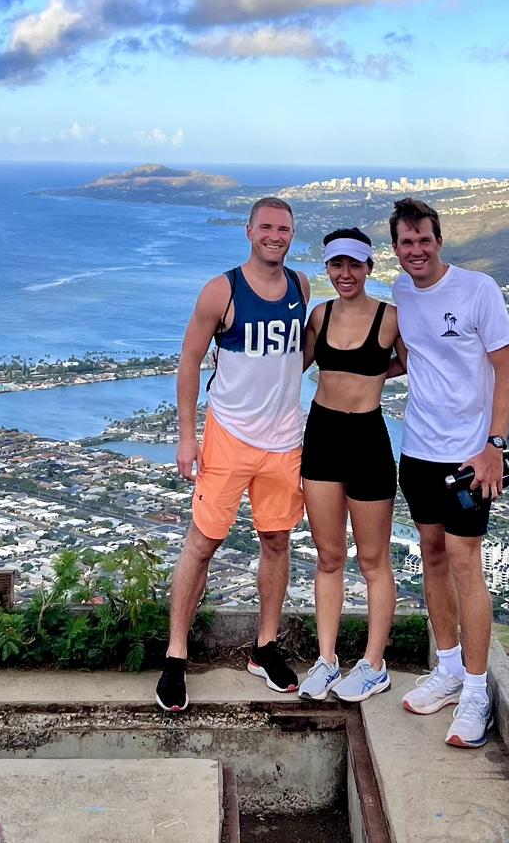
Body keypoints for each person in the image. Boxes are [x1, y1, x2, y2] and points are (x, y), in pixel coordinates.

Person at [155, 196, 310, 713]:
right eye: (266, 227)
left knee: (276, 541)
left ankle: (264, 648)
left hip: (285, 442)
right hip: (228, 437)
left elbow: (294, 357)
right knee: (202, 543)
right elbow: (190, 359)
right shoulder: (223, 290)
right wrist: (186, 435)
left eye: (283, 228)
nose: (275, 235)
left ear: (292, 234)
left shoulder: (301, 286)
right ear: (249, 231)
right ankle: (176, 655)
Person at [389, 196, 509, 750]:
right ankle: (445, 667)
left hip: (468, 456)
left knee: (468, 564)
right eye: (406, 243)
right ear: (395, 250)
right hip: (418, 449)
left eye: (424, 240)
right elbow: (404, 359)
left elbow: (507, 364)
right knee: (432, 555)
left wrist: (493, 447)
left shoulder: (477, 290)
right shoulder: (400, 292)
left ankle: (474, 691)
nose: (416, 251)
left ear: (439, 241)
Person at [295, 227, 405, 704]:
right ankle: (326, 659)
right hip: (321, 435)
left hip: (367, 438)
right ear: (328, 268)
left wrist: (373, 373)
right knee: (329, 556)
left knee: (374, 559)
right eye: (336, 265)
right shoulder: (319, 315)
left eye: (354, 265)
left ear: (369, 268)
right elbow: (289, 365)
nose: (345, 274)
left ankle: (373, 664)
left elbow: (413, 362)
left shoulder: (389, 318)